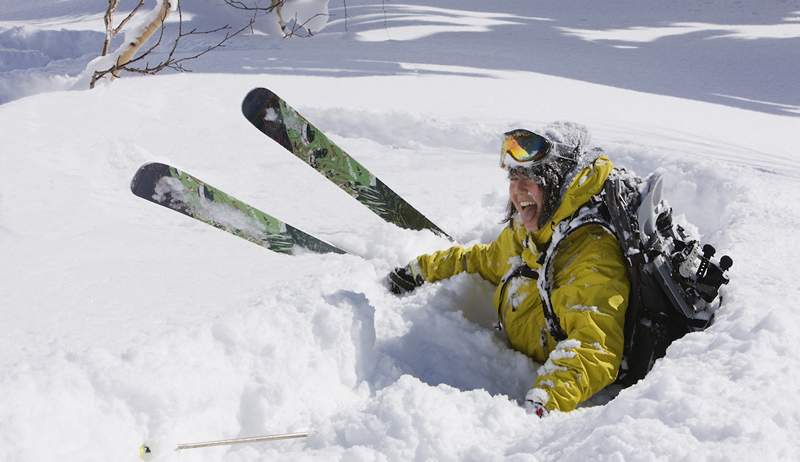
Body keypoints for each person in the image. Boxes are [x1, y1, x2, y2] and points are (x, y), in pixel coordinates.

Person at [386, 122, 630, 417]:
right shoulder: (535, 229)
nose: (517, 190)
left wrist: (544, 401)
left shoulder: (590, 254)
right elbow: (484, 260)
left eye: (530, 178)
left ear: (557, 184)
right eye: (514, 178)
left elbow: (593, 347)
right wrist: (422, 269)